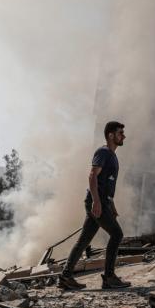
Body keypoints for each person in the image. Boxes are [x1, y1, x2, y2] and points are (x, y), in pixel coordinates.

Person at [58, 121, 131, 290]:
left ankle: (65, 277)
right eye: (120, 133)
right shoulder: (103, 152)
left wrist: (111, 204)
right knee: (117, 234)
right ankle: (109, 277)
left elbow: (107, 183)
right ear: (111, 135)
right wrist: (97, 202)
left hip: (102, 202)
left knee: (84, 240)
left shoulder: (113, 156)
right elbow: (92, 176)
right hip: (96, 202)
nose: (123, 136)